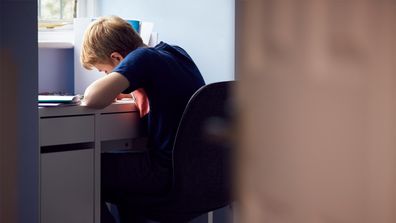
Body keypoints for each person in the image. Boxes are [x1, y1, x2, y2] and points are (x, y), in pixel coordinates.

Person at [80, 16, 205, 222]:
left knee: (84, 166)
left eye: (104, 71)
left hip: (165, 172)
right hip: (198, 171)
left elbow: (92, 98)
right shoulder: (175, 52)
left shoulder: (141, 58)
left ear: (118, 59)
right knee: (123, 174)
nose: (105, 76)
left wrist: (111, 85)